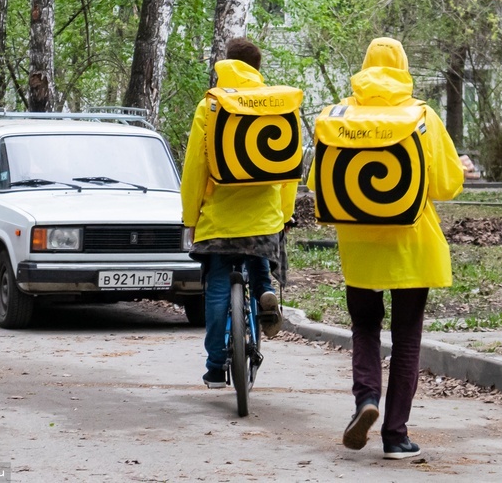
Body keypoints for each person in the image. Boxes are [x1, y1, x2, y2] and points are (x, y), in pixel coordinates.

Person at [308, 37, 465, 459]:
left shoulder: (338, 117)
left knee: (364, 328)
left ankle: (366, 400)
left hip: (358, 248)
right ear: (403, 67)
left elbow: (316, 183)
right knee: (407, 339)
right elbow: (447, 185)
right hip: (411, 246)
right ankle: (396, 436)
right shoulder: (421, 116)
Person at [180, 37, 298, 389]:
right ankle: (264, 292)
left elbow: (195, 167)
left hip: (219, 220)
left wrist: (190, 217)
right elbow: (289, 168)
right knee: (258, 254)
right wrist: (284, 214)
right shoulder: (278, 104)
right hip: (263, 217)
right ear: (258, 69)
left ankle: (216, 366)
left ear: (225, 64)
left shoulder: (212, 105)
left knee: (217, 285)